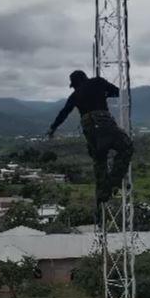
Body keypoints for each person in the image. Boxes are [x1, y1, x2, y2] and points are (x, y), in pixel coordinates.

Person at [47, 70, 133, 204]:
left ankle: (102, 197)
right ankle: (113, 182)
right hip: (103, 121)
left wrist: (52, 128)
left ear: (76, 83)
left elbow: (64, 113)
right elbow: (116, 92)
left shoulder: (75, 95)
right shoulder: (98, 82)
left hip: (89, 129)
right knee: (126, 146)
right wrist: (104, 95)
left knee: (99, 161)